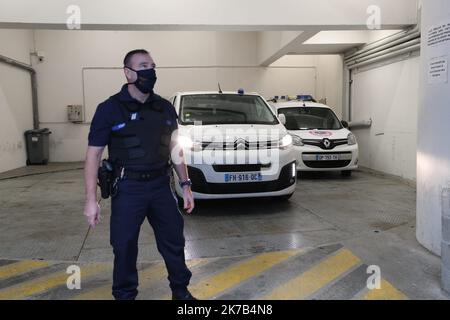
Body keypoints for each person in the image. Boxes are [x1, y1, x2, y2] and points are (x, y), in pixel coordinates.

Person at [83, 49, 196, 300]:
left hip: (160, 187)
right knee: (123, 247)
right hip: (127, 189)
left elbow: (175, 148)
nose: (150, 71)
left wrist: (185, 184)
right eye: (143, 65)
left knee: (174, 242)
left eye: (153, 65)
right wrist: (91, 200)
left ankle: (181, 292)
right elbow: (93, 155)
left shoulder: (165, 107)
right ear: (128, 72)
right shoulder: (109, 109)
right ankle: (125, 296)